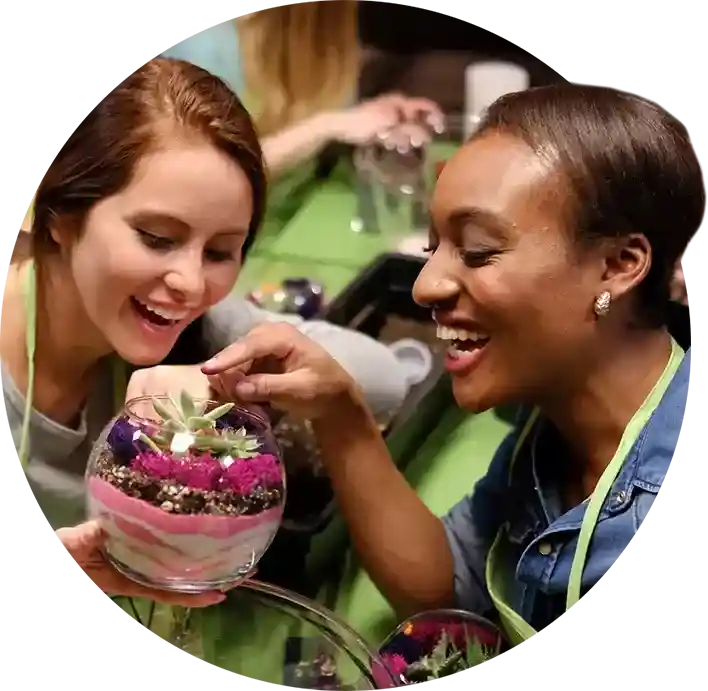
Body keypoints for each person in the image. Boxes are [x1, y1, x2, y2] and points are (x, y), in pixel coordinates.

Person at [202, 83, 702, 643]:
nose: (425, 286)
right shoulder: (556, 421)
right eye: (431, 248)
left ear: (617, 265)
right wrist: (340, 411)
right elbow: (446, 586)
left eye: (479, 250)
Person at [2, 58, 409, 606]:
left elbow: (383, 377)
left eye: (219, 251)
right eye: (156, 237)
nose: (191, 284)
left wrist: (224, 381)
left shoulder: (195, 329)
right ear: (62, 217)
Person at [162, 5, 444, 178]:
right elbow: (208, 178)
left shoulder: (326, 24)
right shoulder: (201, 40)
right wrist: (327, 126)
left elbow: (330, 120)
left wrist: (378, 118)